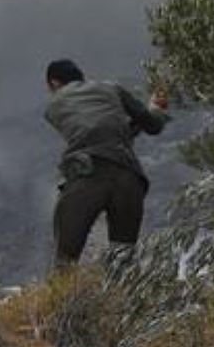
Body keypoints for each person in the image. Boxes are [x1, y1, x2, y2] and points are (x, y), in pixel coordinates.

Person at [43, 59, 170, 266]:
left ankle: (65, 298)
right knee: (123, 258)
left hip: (87, 174)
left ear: (54, 84)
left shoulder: (55, 104)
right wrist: (156, 109)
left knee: (65, 261)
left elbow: (95, 132)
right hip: (129, 176)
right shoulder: (111, 88)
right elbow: (150, 126)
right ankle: (125, 294)